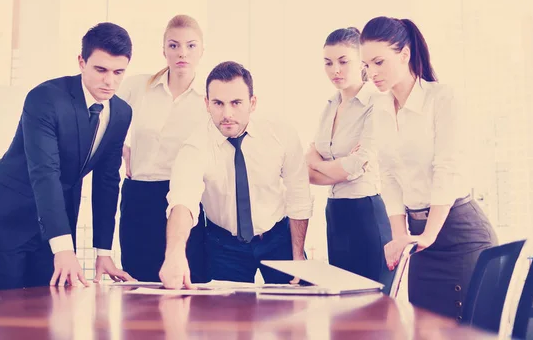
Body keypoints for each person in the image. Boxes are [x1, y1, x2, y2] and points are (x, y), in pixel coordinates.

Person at [0, 22, 135, 291]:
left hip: (55, 225)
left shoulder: (121, 113)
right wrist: (64, 247)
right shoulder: (45, 99)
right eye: (100, 69)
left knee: (50, 314)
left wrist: (103, 251)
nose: (109, 81)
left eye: (118, 72)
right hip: (6, 219)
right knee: (5, 320)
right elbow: (45, 172)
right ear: (82, 62)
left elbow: (107, 181)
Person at [359, 16, 497, 319]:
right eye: (367, 65)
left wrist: (430, 234)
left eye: (379, 62)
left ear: (404, 54)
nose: (372, 73)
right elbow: (390, 176)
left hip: (459, 234)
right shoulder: (380, 109)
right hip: (420, 240)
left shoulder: (442, 98)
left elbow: (446, 168)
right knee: (425, 329)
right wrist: (398, 237)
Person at [159, 61, 313, 289]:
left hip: (277, 237)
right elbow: (182, 200)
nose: (227, 114)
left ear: (252, 103)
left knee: (294, 313)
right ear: (206, 104)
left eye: (236, 103)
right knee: (227, 319)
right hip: (224, 245)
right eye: (218, 103)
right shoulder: (195, 145)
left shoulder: (281, 133)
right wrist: (174, 253)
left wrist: (298, 254)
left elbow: (298, 194)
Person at [118, 15, 207, 282]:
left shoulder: (208, 98)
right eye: (174, 45)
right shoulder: (137, 87)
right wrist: (122, 150)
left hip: (183, 198)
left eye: (191, 46)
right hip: (139, 195)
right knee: (137, 283)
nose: (182, 53)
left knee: (184, 284)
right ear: (164, 50)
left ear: (202, 50)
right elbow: (102, 119)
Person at [306, 27, 393, 285]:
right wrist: (334, 167)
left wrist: (319, 163)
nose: (336, 70)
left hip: (367, 213)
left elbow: (354, 167)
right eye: (328, 63)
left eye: (344, 62)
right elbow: (307, 168)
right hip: (335, 214)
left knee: (374, 309)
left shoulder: (377, 103)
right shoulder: (330, 106)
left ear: (361, 63)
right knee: (341, 309)